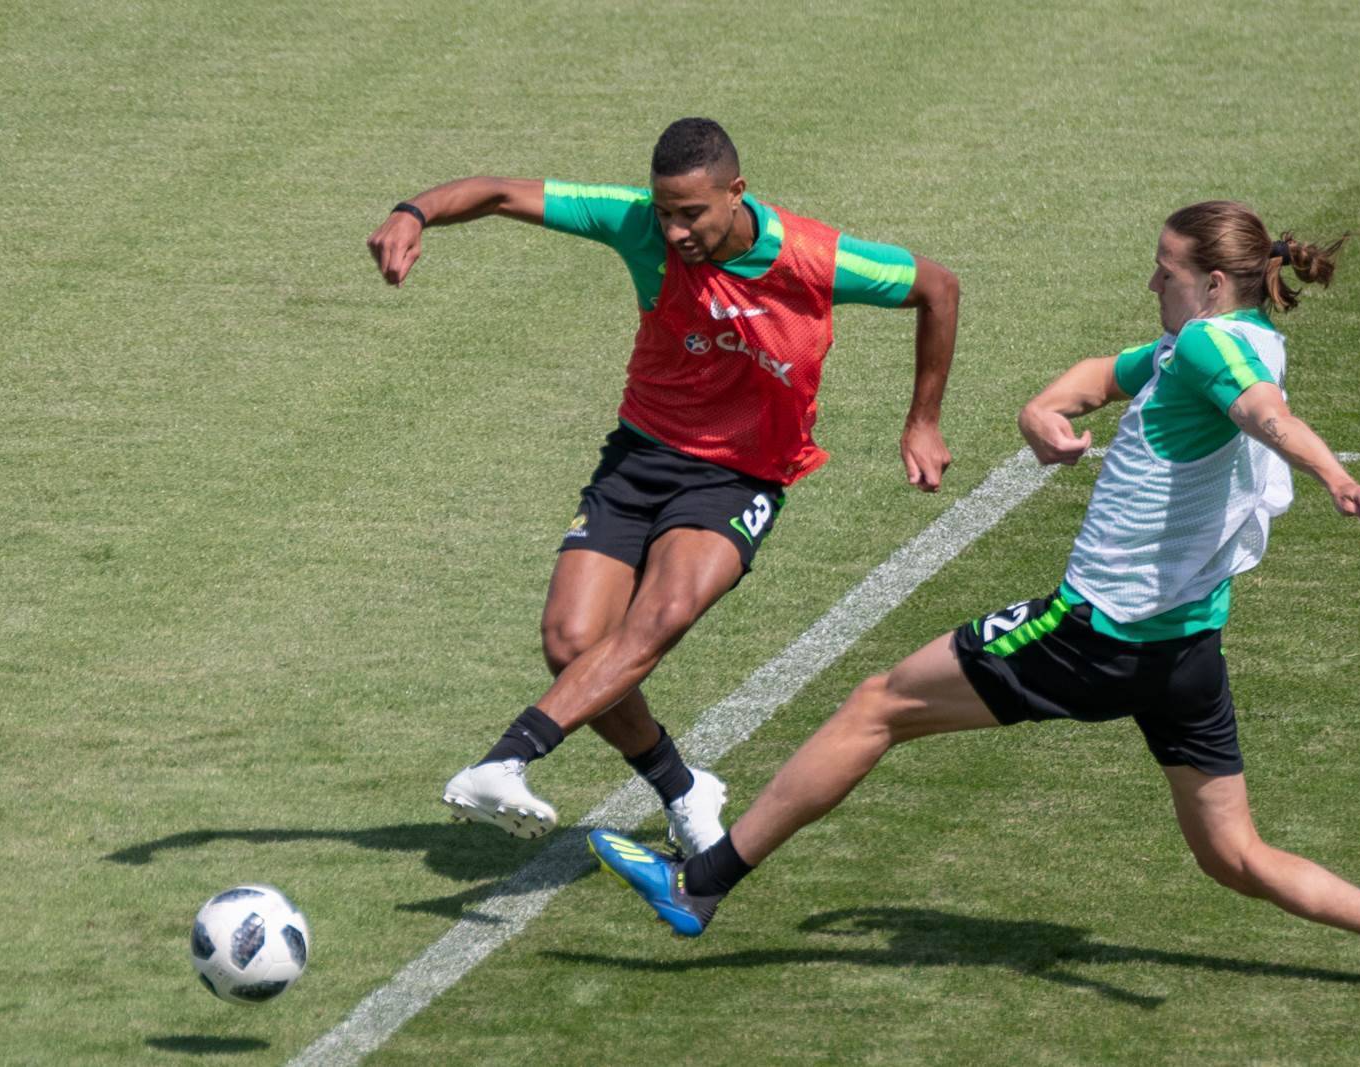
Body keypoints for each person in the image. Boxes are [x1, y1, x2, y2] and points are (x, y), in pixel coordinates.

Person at [590, 200, 1360, 993]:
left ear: (1210, 284)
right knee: (1234, 855)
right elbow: (1106, 374)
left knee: (876, 704)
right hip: (1185, 651)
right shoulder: (1232, 340)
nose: (1150, 283)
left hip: (1097, 631)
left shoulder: (1211, 352)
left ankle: (700, 883)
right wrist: (1040, 409)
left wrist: (1340, 478)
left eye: (1163, 270)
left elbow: (1265, 415)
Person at [366, 118, 958, 856]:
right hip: (640, 456)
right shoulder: (637, 224)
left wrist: (922, 421)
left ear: (736, 192)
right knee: (572, 644)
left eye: (692, 214)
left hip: (739, 475)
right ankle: (684, 790)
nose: (675, 231)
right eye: (665, 211)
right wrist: (414, 211)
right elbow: (498, 193)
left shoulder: (813, 257)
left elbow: (937, 286)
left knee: (662, 612)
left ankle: (505, 759)